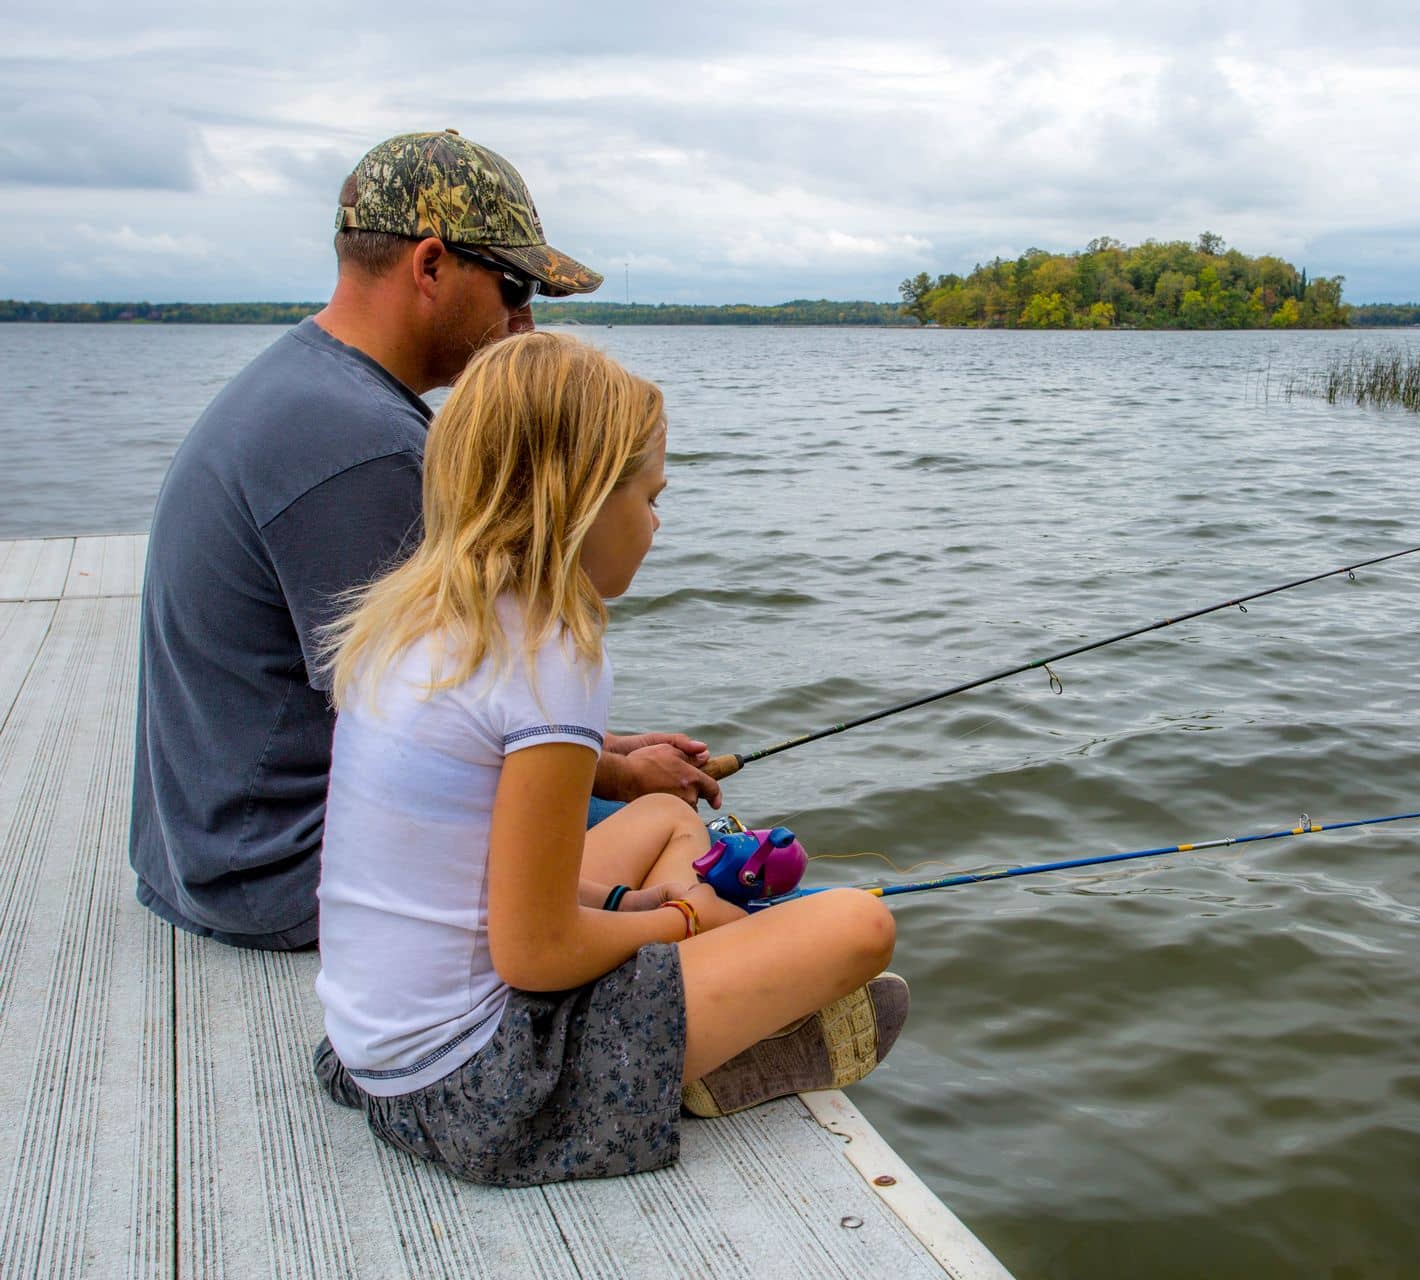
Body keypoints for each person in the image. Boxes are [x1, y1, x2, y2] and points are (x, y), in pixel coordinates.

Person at [308, 332, 907, 1186]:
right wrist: (690, 920)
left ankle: (722, 1010)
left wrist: (627, 901)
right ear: (581, 499)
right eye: (650, 497)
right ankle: (708, 1056)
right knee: (860, 925)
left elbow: (464, 870)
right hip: (476, 1081)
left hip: (374, 1044)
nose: (658, 522)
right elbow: (537, 956)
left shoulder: (413, 621)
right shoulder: (551, 657)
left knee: (664, 813)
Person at [131, 130, 719, 951]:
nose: (526, 321)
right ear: (431, 264)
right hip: (285, 872)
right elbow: (423, 725)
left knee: (646, 816)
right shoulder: (363, 448)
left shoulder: (313, 388)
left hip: (220, 845)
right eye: (515, 285)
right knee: (690, 853)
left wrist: (611, 745)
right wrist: (617, 773)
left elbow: (432, 706)